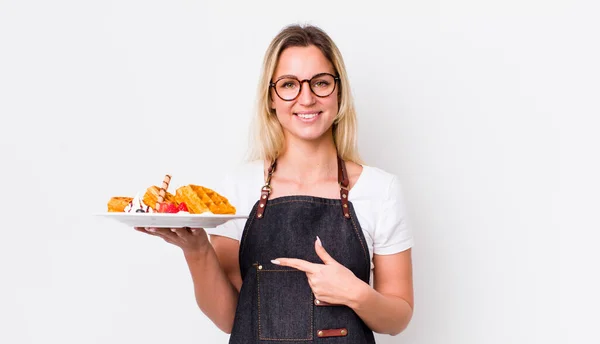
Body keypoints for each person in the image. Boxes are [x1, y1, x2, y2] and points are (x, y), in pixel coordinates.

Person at [136, 23, 414, 343]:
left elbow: (398, 318)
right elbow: (229, 318)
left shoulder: (381, 191)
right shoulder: (239, 188)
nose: (306, 98)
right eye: (289, 84)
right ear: (271, 97)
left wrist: (356, 293)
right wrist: (196, 249)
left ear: (339, 92)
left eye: (320, 82)